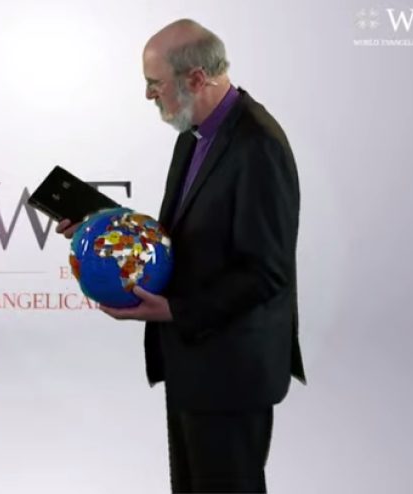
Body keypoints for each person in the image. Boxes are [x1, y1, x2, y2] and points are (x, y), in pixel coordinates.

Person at [57, 19, 305, 493]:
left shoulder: (258, 146)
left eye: (155, 84)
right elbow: (191, 237)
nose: (149, 95)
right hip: (193, 361)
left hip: (231, 373)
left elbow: (266, 272)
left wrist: (174, 309)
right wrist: (103, 226)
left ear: (195, 78)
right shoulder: (193, 134)